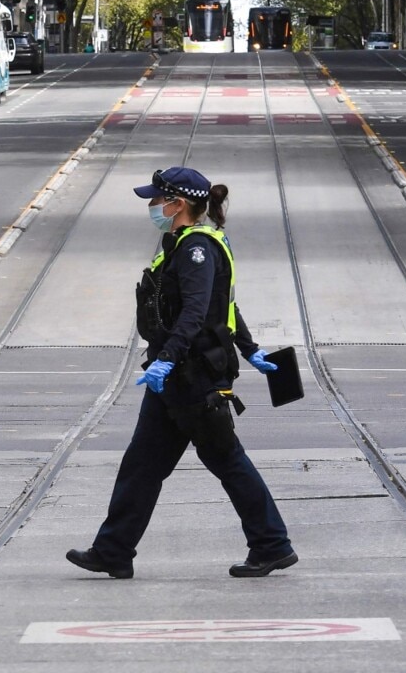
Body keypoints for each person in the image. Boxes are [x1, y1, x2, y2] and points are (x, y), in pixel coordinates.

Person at [67, 167, 297, 580]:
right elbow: (223, 304)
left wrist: (169, 357)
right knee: (142, 463)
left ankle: (272, 545)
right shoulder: (178, 244)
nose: (154, 205)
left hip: (194, 376)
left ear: (179, 204)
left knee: (226, 459)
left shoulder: (197, 250)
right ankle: (113, 550)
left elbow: (196, 310)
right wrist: (250, 349)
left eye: (158, 199)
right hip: (174, 377)